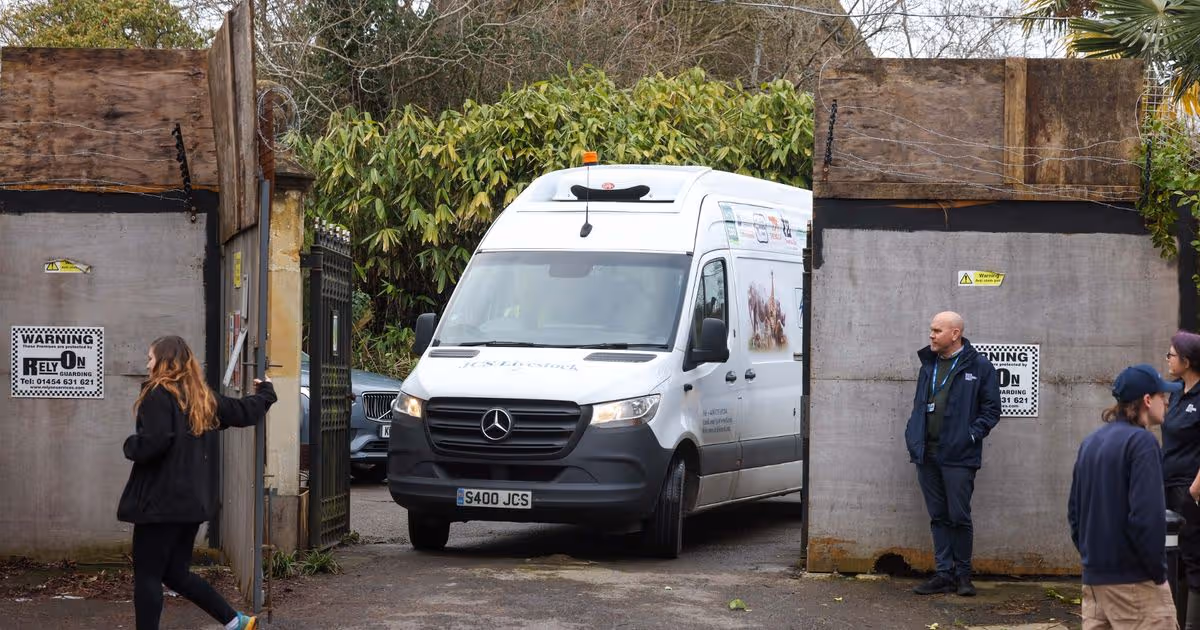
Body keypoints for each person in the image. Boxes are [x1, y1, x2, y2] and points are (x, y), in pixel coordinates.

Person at [117, 335, 277, 630]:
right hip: (190, 504)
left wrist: (131, 445)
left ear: (165, 362)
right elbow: (242, 413)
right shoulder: (201, 397)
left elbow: (154, 443)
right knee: (176, 574)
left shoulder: (157, 395)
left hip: (159, 504)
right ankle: (235, 622)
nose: (147, 363)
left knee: (148, 575)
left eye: (150, 358)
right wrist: (266, 394)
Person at [1069, 363, 1180, 630]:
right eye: (1161, 396)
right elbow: (1146, 516)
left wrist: (1091, 560)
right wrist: (1157, 573)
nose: (1165, 401)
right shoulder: (1142, 443)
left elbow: (1075, 513)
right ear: (1146, 400)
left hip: (1095, 579)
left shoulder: (1091, 442)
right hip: (1135, 581)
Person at [905, 311, 1001, 597]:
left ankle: (963, 576)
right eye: (931, 330)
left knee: (959, 516)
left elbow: (991, 411)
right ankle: (943, 573)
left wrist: (969, 435)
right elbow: (919, 406)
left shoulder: (980, 367)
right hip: (927, 453)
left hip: (959, 455)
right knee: (938, 516)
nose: (931, 335)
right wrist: (913, 435)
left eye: (937, 330)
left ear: (955, 334)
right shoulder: (928, 365)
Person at [1165, 330, 1200, 629]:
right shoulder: (1175, 391)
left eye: (1172, 355)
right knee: (1171, 558)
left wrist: (1195, 488)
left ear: (1187, 361)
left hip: (1190, 489)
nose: (1168, 359)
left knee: (1192, 557)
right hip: (1167, 485)